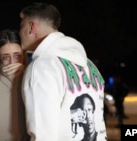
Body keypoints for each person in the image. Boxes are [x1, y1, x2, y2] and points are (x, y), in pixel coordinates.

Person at [19, 2, 107, 140]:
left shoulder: (42, 67)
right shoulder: (90, 65)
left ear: (31, 27)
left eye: (21, 26)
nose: (19, 33)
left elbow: (43, 135)